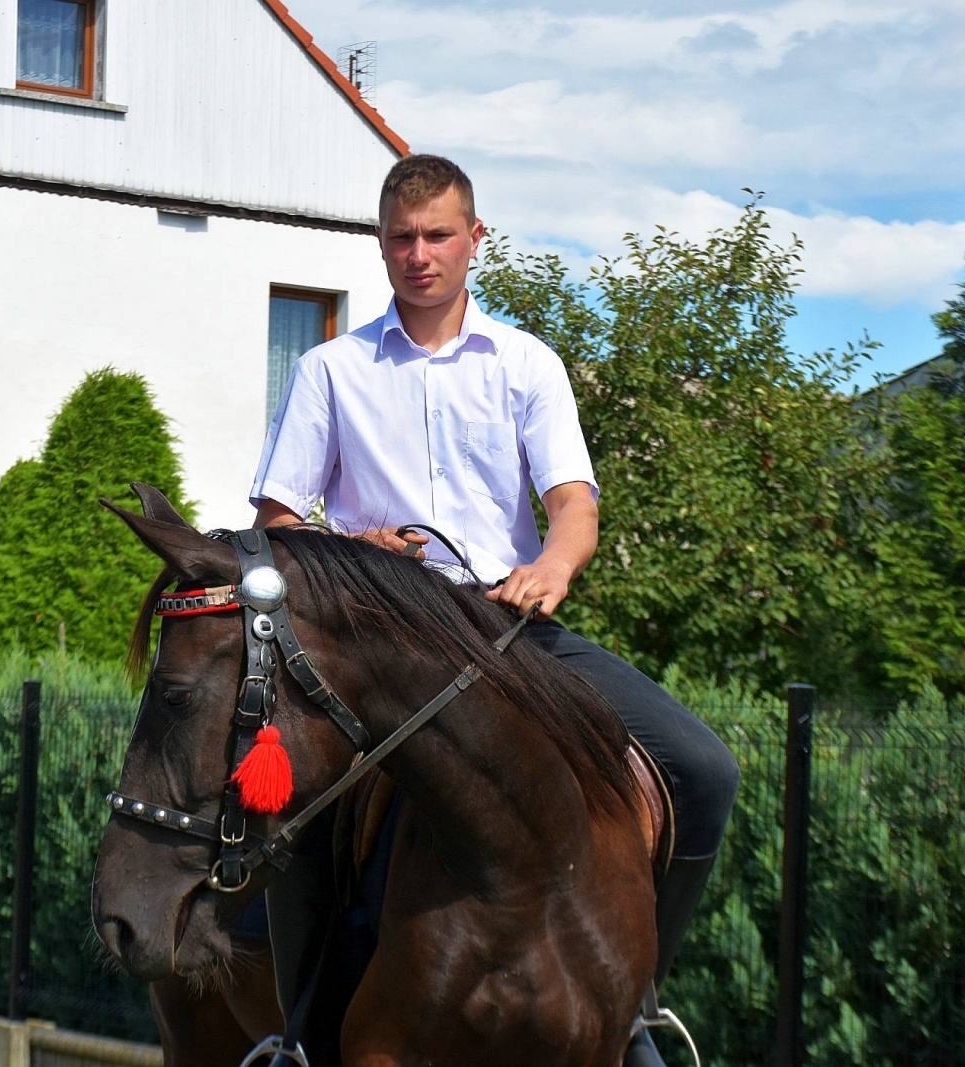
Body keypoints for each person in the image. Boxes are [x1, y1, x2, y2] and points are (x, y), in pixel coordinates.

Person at [249, 154, 739, 1066]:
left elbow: (575, 506)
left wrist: (554, 564)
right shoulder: (330, 369)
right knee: (300, 805)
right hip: (380, 649)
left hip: (509, 629)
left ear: (475, 240)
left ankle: (633, 1009)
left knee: (703, 768)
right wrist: (357, 555)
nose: (419, 254)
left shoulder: (527, 362)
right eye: (402, 237)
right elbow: (278, 522)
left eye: (438, 235)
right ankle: (303, 1041)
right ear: (381, 245)